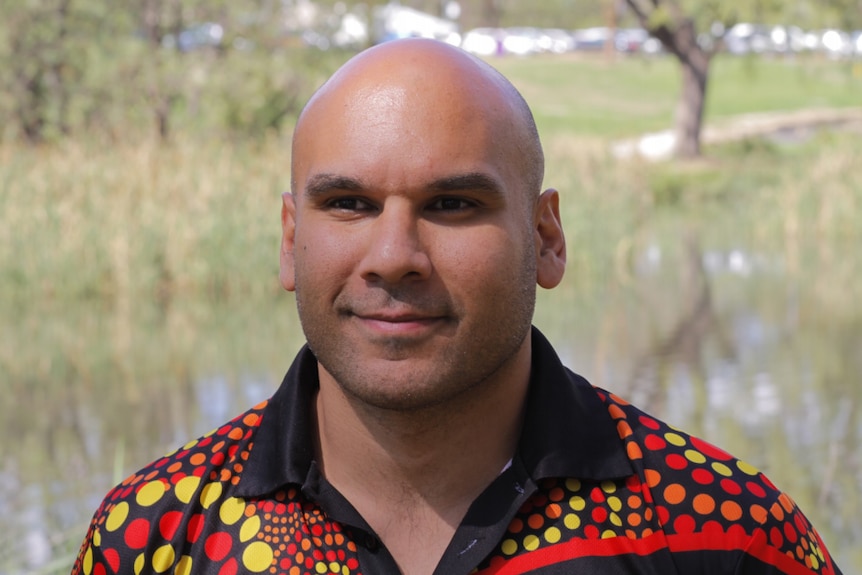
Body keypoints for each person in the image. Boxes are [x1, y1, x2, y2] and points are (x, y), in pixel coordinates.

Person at [71, 38, 843, 575]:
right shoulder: (155, 536)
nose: (394, 256)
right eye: (348, 203)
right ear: (289, 237)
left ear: (545, 238)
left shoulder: (720, 529)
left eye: (451, 202)